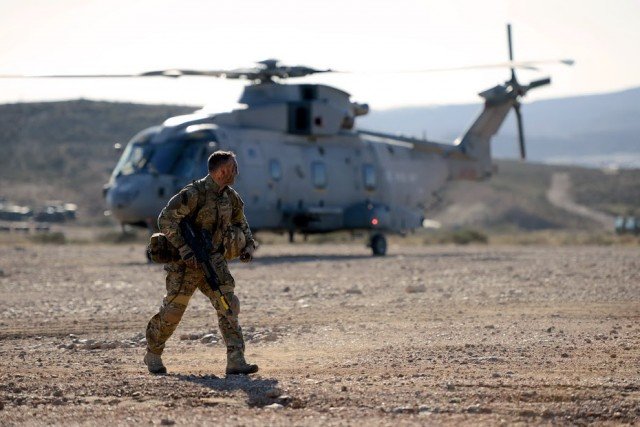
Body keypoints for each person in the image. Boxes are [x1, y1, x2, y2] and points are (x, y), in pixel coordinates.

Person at [144, 150, 258, 375]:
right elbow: (165, 219)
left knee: (228, 305)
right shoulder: (193, 193)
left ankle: (236, 359)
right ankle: (153, 354)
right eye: (234, 167)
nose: (237, 171)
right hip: (186, 264)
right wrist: (184, 248)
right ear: (222, 170)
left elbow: (240, 221)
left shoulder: (230, 196)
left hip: (214, 261)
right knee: (172, 312)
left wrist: (248, 245)